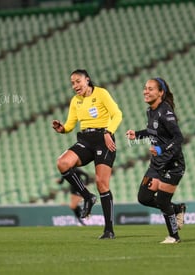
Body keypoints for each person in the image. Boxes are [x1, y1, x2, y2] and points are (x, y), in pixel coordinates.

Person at [52, 69, 122, 239]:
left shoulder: (101, 93)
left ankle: (109, 230)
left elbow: (117, 114)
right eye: (72, 83)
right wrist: (62, 129)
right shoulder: (75, 101)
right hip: (85, 140)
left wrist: (108, 132)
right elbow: (70, 125)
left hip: (103, 139)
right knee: (62, 163)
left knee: (101, 184)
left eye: (78, 81)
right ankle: (87, 197)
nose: (75, 85)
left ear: (87, 80)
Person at [126, 77, 186, 244]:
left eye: (151, 88)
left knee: (162, 200)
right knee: (144, 197)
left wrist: (160, 149)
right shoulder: (150, 111)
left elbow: (178, 137)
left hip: (173, 165)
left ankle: (174, 237)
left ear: (161, 93)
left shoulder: (166, 112)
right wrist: (137, 134)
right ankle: (177, 209)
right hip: (157, 163)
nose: (146, 91)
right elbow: (153, 131)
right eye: (145, 88)